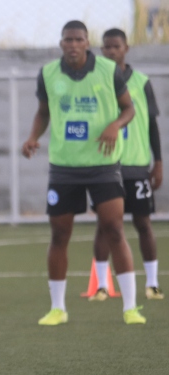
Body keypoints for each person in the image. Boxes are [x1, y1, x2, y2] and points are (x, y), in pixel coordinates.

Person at [21, 20, 146, 325]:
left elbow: (128, 109)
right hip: (64, 167)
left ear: (87, 42)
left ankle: (130, 307)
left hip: (103, 165)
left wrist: (115, 125)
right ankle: (57, 308)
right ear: (61, 43)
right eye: (68, 40)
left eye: (78, 39)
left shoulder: (108, 70)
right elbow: (43, 111)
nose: (73, 44)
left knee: (114, 229)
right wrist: (33, 136)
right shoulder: (48, 73)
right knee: (60, 234)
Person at [89, 28, 163, 301]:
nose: (110, 51)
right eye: (106, 47)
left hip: (135, 166)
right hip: (107, 167)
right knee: (104, 225)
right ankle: (101, 285)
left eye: (115, 46)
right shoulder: (96, 82)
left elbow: (152, 126)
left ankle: (153, 283)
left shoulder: (142, 82)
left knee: (143, 224)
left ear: (126, 48)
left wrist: (158, 162)